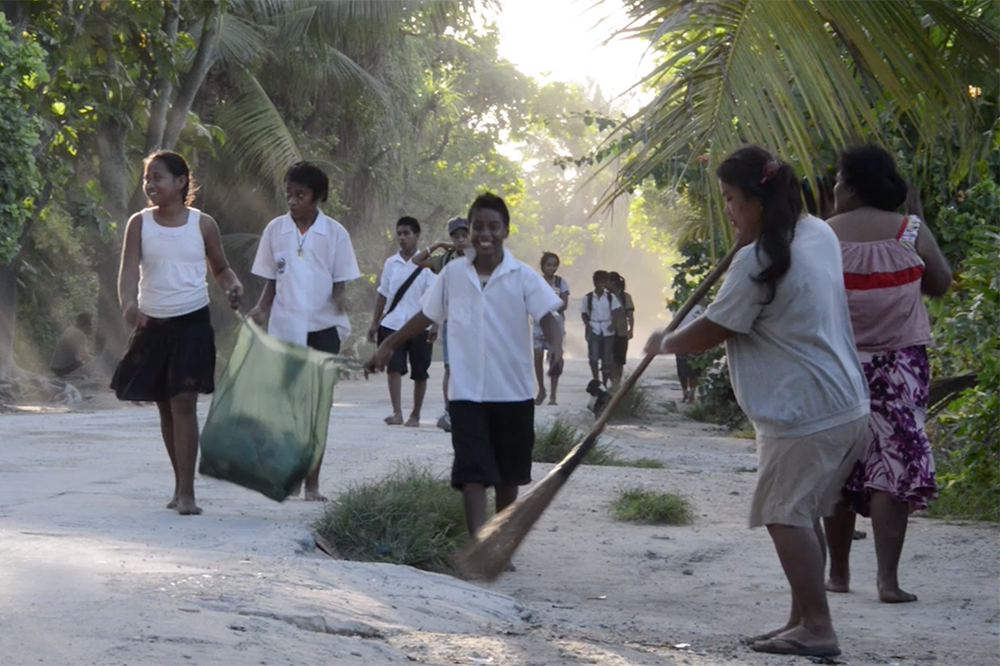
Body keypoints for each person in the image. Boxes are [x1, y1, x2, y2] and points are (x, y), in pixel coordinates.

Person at [645, 146, 869, 658]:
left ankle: (818, 627)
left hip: (804, 413)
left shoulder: (759, 259)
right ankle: (801, 619)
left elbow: (716, 327)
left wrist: (666, 342)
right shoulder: (817, 232)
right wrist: (751, 238)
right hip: (844, 405)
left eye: (730, 199)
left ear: (756, 199)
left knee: (783, 515)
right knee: (800, 513)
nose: (727, 210)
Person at [370, 193, 563, 538]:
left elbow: (548, 316)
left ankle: (499, 543)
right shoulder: (453, 274)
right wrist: (389, 342)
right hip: (466, 392)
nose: (485, 234)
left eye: (494, 226)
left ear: (506, 230)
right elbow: (426, 314)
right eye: (478, 227)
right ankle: (478, 542)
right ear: (470, 231)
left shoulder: (523, 276)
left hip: (513, 391)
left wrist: (557, 349)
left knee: (508, 474)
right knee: (471, 471)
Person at [822, 145, 952, 604]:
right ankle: (887, 581)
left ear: (852, 188)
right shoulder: (909, 230)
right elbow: (939, 284)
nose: (834, 189)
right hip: (900, 367)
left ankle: (838, 575)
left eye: (838, 181)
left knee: (838, 466)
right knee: (892, 467)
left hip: (836, 365)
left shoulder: (822, 235)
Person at [111, 150, 243, 516]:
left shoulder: (203, 224)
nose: (150, 184)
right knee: (166, 406)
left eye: (158, 177)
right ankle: (178, 483)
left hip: (192, 323)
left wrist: (232, 285)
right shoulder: (139, 223)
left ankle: (187, 492)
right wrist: (128, 304)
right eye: (147, 178)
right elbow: (127, 270)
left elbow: (220, 268)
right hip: (152, 324)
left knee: (184, 401)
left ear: (181, 181)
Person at [249, 161, 361, 502]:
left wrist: (339, 299)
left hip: (323, 327)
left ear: (318, 197)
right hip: (286, 326)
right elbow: (272, 279)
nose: (293, 201)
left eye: (300, 195)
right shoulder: (275, 230)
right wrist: (262, 308)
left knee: (317, 408)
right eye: (289, 194)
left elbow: (341, 279)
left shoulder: (335, 234)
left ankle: (312, 483)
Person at [367, 216, 436, 427]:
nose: (402, 238)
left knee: (420, 372)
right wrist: (374, 322)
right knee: (393, 368)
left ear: (417, 236)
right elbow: (383, 293)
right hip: (393, 323)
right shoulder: (391, 263)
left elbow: (435, 298)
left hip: (419, 325)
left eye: (406, 233)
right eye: (399, 234)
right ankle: (396, 412)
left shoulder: (428, 265)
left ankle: (415, 414)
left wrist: (435, 324)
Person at [411, 216, 472, 432]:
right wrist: (437, 245)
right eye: (456, 237)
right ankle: (450, 411)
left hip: (475, 322)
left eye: (464, 235)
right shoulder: (445, 260)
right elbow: (417, 261)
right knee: (450, 368)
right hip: (452, 321)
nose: (461, 240)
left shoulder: (481, 258)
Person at [533, 252, 569, 405]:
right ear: (543, 266)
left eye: (554, 265)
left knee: (555, 357)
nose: (551, 268)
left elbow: (564, 303)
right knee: (538, 356)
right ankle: (541, 389)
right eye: (548, 265)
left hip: (556, 324)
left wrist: (550, 309)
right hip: (539, 324)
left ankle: (553, 394)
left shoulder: (561, 283)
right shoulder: (536, 281)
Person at [581, 270, 621, 386]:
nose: (602, 285)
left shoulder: (610, 297)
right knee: (593, 358)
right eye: (600, 282)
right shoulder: (588, 298)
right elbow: (584, 313)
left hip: (607, 329)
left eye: (604, 282)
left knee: (607, 359)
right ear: (595, 282)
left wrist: (613, 324)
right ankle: (596, 380)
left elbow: (616, 311)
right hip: (594, 328)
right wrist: (588, 326)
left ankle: (604, 383)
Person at [673, 303, 705, 403]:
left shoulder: (699, 308)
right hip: (680, 341)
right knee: (682, 372)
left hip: (695, 342)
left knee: (693, 372)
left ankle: (692, 395)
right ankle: (685, 393)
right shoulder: (678, 308)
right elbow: (674, 325)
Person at [607, 272, 634, 385]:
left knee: (619, 360)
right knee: (609, 360)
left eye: (607, 281)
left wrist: (631, 330)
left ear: (613, 282)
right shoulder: (605, 297)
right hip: (607, 332)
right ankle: (613, 382)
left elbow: (630, 315)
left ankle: (617, 383)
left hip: (621, 332)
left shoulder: (625, 297)